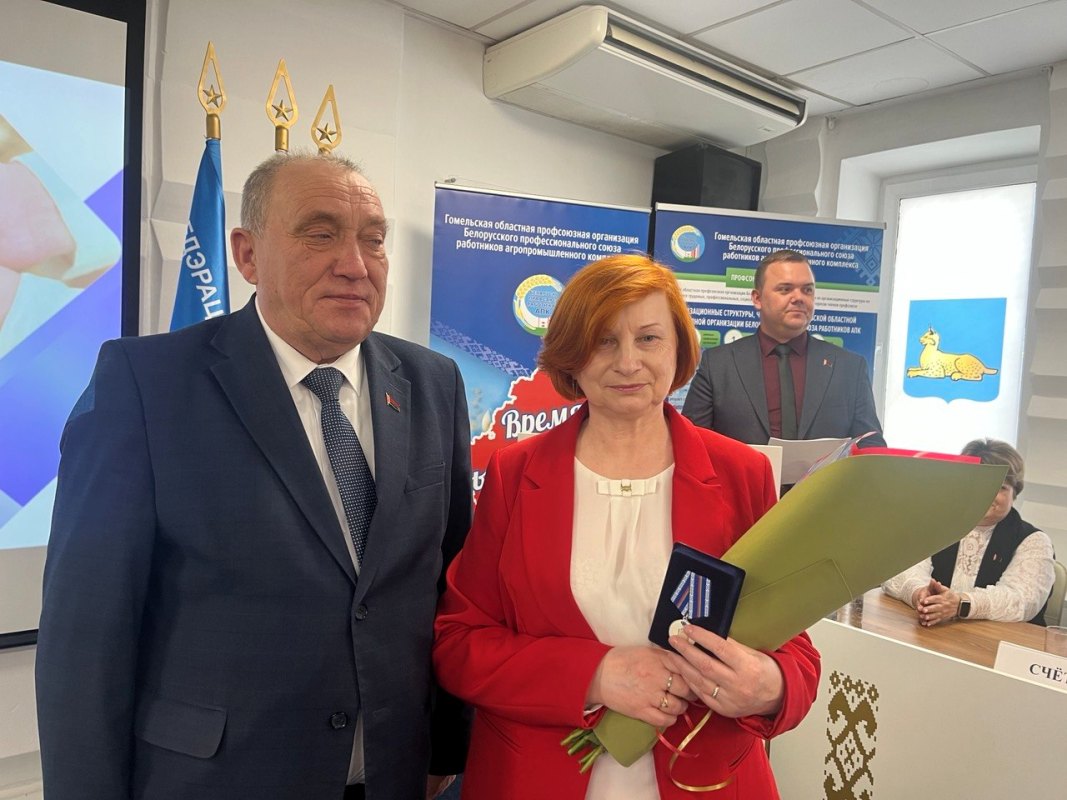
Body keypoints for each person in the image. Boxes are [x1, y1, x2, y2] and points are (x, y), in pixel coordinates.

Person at [35, 151, 472, 800]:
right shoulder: (147, 385)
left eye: (373, 239)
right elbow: (86, 632)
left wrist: (449, 746)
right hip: (216, 780)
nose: (355, 264)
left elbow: (455, 585)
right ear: (246, 255)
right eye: (320, 234)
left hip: (395, 776)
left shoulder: (433, 382)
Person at [433, 255, 820, 799]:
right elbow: (460, 643)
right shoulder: (514, 474)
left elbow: (795, 648)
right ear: (572, 354)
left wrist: (770, 686)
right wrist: (594, 675)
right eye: (604, 341)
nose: (628, 362)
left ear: (679, 349)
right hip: (536, 778)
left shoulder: (742, 472)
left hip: (705, 777)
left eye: (649, 338)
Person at [681, 249, 885, 448]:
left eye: (807, 290)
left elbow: (871, 444)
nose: (799, 297)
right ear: (757, 298)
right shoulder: (718, 365)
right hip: (743, 473)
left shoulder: (849, 367)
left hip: (826, 474)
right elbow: (690, 443)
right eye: (785, 289)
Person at [882, 438, 1055, 626]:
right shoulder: (933, 523)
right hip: (934, 633)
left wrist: (960, 604)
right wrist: (920, 594)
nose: (986, 493)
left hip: (1000, 639)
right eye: (977, 483)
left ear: (1015, 493)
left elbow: (1021, 600)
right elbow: (896, 570)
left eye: (1000, 487)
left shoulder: (1034, 541)